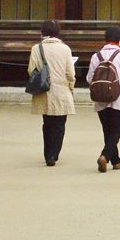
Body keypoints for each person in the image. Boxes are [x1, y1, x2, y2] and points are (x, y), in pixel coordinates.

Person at [88, 25, 120, 172]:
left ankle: (116, 161)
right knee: (117, 131)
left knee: (107, 130)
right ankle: (105, 156)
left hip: (100, 98)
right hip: (118, 97)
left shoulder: (96, 56)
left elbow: (89, 78)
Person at [27, 21, 77, 167]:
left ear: (42, 32)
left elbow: (32, 70)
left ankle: (48, 153)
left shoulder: (36, 48)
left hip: (44, 90)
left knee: (47, 123)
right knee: (60, 124)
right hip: (62, 90)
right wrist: (71, 88)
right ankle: (55, 154)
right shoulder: (65, 49)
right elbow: (70, 73)